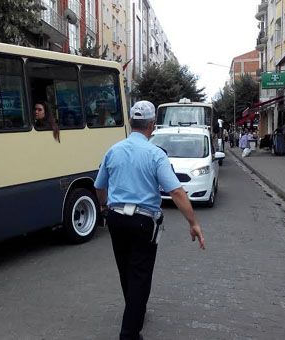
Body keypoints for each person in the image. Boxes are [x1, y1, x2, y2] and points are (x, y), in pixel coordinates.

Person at [94, 100, 205, 340]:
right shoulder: (156, 154)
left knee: (126, 270)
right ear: (152, 125)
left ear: (131, 122)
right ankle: (129, 333)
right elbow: (176, 191)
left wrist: (103, 204)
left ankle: (135, 310)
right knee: (140, 274)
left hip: (115, 218)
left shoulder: (113, 150)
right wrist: (193, 222)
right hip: (143, 223)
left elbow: (100, 186)